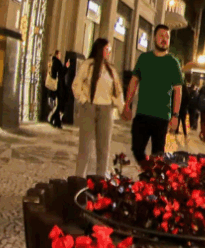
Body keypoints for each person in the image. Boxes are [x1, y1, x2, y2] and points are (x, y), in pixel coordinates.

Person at [122, 25, 183, 167]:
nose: (164, 39)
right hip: (142, 113)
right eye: (161, 36)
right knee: (137, 149)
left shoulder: (173, 63)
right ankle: (148, 171)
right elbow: (133, 82)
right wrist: (127, 105)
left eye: (167, 37)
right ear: (154, 38)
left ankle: (152, 175)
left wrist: (175, 115)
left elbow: (178, 91)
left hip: (162, 117)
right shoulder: (144, 58)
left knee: (158, 155)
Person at [73, 38, 123, 177]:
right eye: (107, 49)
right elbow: (76, 84)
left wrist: (122, 108)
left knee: (103, 148)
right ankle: (79, 178)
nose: (109, 52)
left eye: (110, 50)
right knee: (85, 146)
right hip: (89, 108)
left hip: (106, 110)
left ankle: (101, 179)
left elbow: (117, 92)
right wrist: (84, 100)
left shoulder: (110, 69)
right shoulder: (88, 65)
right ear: (99, 49)